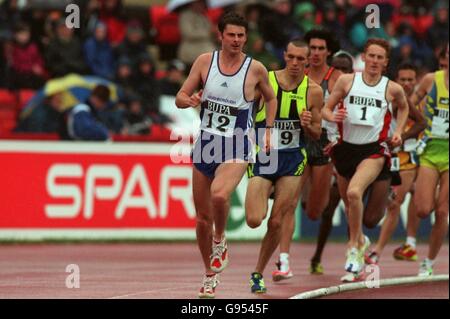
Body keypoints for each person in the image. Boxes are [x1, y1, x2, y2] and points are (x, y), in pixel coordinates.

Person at [175, 12, 277, 299]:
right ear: (220, 35)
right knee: (201, 219)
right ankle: (209, 275)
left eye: (241, 35)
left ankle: (220, 240)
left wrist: (267, 130)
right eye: (231, 35)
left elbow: (271, 97)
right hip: (206, 144)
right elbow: (180, 96)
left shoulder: (255, 68)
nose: (236, 40)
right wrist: (191, 100)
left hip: (237, 144)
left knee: (220, 196)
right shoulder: (204, 62)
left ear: (246, 37)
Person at [322, 38, 409, 276]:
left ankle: (352, 247)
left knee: (355, 196)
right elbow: (325, 109)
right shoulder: (347, 81)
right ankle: (360, 242)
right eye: (371, 55)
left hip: (374, 150)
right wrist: (332, 117)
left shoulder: (392, 88)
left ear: (386, 62)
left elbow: (404, 107)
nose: (375, 61)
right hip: (345, 150)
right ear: (364, 57)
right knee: (351, 206)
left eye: (380, 57)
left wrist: (399, 131)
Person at [245, 39, 323, 293]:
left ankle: (258, 272)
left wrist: (308, 124)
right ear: (284, 56)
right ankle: (265, 193)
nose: (295, 63)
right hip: (264, 156)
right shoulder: (265, 80)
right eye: (291, 57)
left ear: (308, 61)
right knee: (255, 219)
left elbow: (316, 133)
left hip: (292, 159)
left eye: (301, 59)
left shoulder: (313, 91)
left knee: (277, 222)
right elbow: (244, 110)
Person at [274, 28, 342, 278]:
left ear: (328, 52)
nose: (314, 53)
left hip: (321, 142)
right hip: (298, 141)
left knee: (314, 212)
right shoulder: (292, 74)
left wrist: (332, 118)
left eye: (319, 49)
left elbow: (334, 108)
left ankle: (306, 194)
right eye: (311, 48)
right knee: (288, 206)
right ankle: (284, 261)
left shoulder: (335, 78)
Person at [365, 62, 427, 265]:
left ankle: (378, 251)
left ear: (416, 81)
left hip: (407, 158)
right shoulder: (389, 97)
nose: (408, 84)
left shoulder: (420, 102)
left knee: (395, 204)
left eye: (411, 80)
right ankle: (408, 244)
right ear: (396, 81)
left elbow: (423, 124)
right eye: (403, 80)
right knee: (402, 202)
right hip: (386, 156)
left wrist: (402, 136)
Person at [409, 44, 448, 277]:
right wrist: (420, 120)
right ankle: (433, 193)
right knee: (424, 209)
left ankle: (429, 262)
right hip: (431, 150)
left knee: (442, 212)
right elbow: (408, 103)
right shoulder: (431, 80)